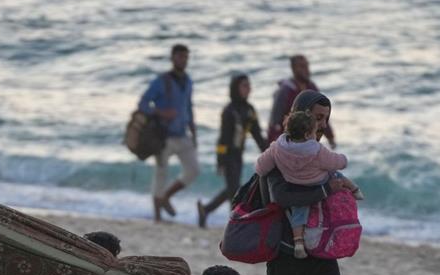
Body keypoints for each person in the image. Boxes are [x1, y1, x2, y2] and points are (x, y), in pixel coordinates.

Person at [247, 90, 348, 275]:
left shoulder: (317, 154)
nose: (321, 126)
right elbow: (281, 197)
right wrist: (327, 190)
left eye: (325, 119)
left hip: (321, 251)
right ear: (301, 116)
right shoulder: (281, 155)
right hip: (287, 251)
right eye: (317, 118)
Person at [255, 109, 361, 258]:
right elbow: (337, 162)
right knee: (336, 175)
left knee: (299, 213)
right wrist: (344, 159)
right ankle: (355, 189)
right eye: (314, 132)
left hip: (296, 186)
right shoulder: (316, 151)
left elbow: (260, 167)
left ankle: (298, 243)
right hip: (317, 183)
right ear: (306, 134)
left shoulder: (277, 148)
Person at [197, 73, 267, 228]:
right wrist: (220, 160)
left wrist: (269, 151)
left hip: (239, 155)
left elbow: (257, 134)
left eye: (249, 85)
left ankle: (206, 209)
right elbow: (223, 138)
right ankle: (234, 224)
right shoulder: (229, 111)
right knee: (234, 190)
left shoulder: (250, 110)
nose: (248, 89)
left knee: (232, 189)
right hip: (228, 156)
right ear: (236, 88)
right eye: (244, 86)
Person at [139, 44, 199, 223]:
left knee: (193, 170)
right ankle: (157, 216)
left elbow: (189, 106)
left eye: (186, 57)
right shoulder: (161, 81)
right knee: (161, 173)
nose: (183, 60)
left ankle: (166, 196)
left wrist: (194, 131)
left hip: (182, 134)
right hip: (163, 136)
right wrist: (161, 112)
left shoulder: (188, 81)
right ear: (172, 58)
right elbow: (143, 104)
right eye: (180, 56)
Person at [267, 54, 334, 147]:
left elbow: (322, 113)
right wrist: (273, 146)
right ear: (294, 68)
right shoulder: (285, 91)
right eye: (302, 66)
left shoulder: (311, 87)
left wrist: (330, 136)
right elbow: (274, 121)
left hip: (310, 140)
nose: (306, 70)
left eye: (307, 66)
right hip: (289, 143)